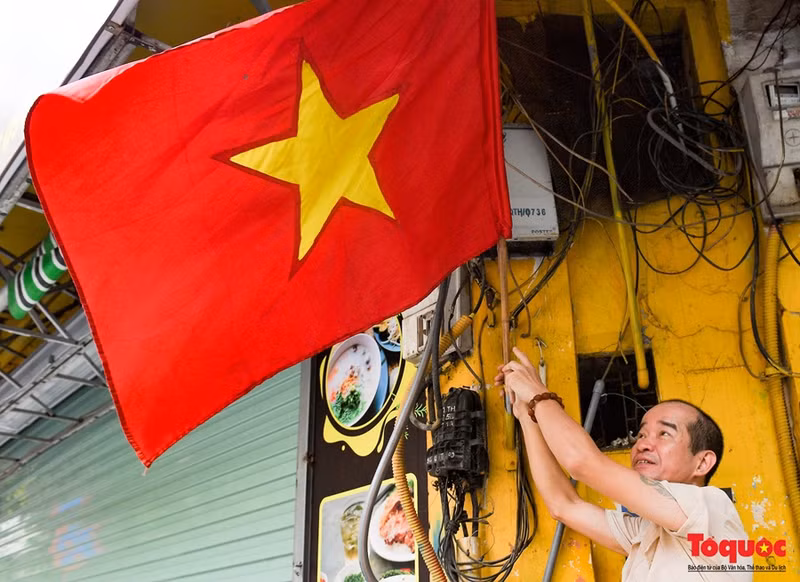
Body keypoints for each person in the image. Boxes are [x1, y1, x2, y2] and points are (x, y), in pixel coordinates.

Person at [496, 347, 752, 581]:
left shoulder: (710, 508)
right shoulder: (646, 532)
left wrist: (538, 395)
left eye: (664, 434)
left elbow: (582, 462)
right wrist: (525, 414)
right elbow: (564, 505)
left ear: (702, 462)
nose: (642, 444)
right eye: (640, 435)